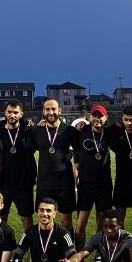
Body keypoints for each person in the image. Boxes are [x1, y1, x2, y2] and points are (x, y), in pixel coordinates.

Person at [29, 99, 79, 235]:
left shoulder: (70, 131)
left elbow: (80, 149)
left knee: (66, 221)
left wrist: (75, 160)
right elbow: (27, 151)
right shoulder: (36, 132)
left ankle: (68, 253)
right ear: (43, 111)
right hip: (44, 183)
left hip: (65, 183)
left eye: (53, 109)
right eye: (47, 109)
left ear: (59, 111)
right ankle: (45, 253)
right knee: (44, 221)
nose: (50, 112)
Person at [105, 105, 132, 249]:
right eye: (126, 120)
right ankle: (121, 247)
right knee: (119, 215)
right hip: (122, 180)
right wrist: (82, 124)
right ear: (122, 119)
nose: (129, 123)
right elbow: (96, 126)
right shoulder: (115, 130)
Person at [0, 100, 37, 231]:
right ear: (5, 113)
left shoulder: (29, 131)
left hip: (24, 184)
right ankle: (2, 248)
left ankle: (32, 248)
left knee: (26, 219)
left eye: (15, 112)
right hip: (2, 184)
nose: (12, 115)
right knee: (1, 219)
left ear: (21, 114)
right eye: (9, 112)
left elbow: (44, 146)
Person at [73, 105, 112, 250]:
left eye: (100, 116)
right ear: (90, 117)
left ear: (106, 118)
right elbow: (75, 162)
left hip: (104, 185)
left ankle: (99, 255)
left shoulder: (110, 133)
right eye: (94, 116)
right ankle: (79, 257)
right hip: (85, 184)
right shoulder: (81, 131)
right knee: (81, 223)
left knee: (102, 222)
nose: (97, 119)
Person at [13, 198, 76, 262]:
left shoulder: (63, 233)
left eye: (48, 210)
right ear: (38, 212)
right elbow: (16, 258)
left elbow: (73, 257)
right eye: (41, 210)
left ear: (54, 214)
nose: (44, 214)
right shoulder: (29, 232)